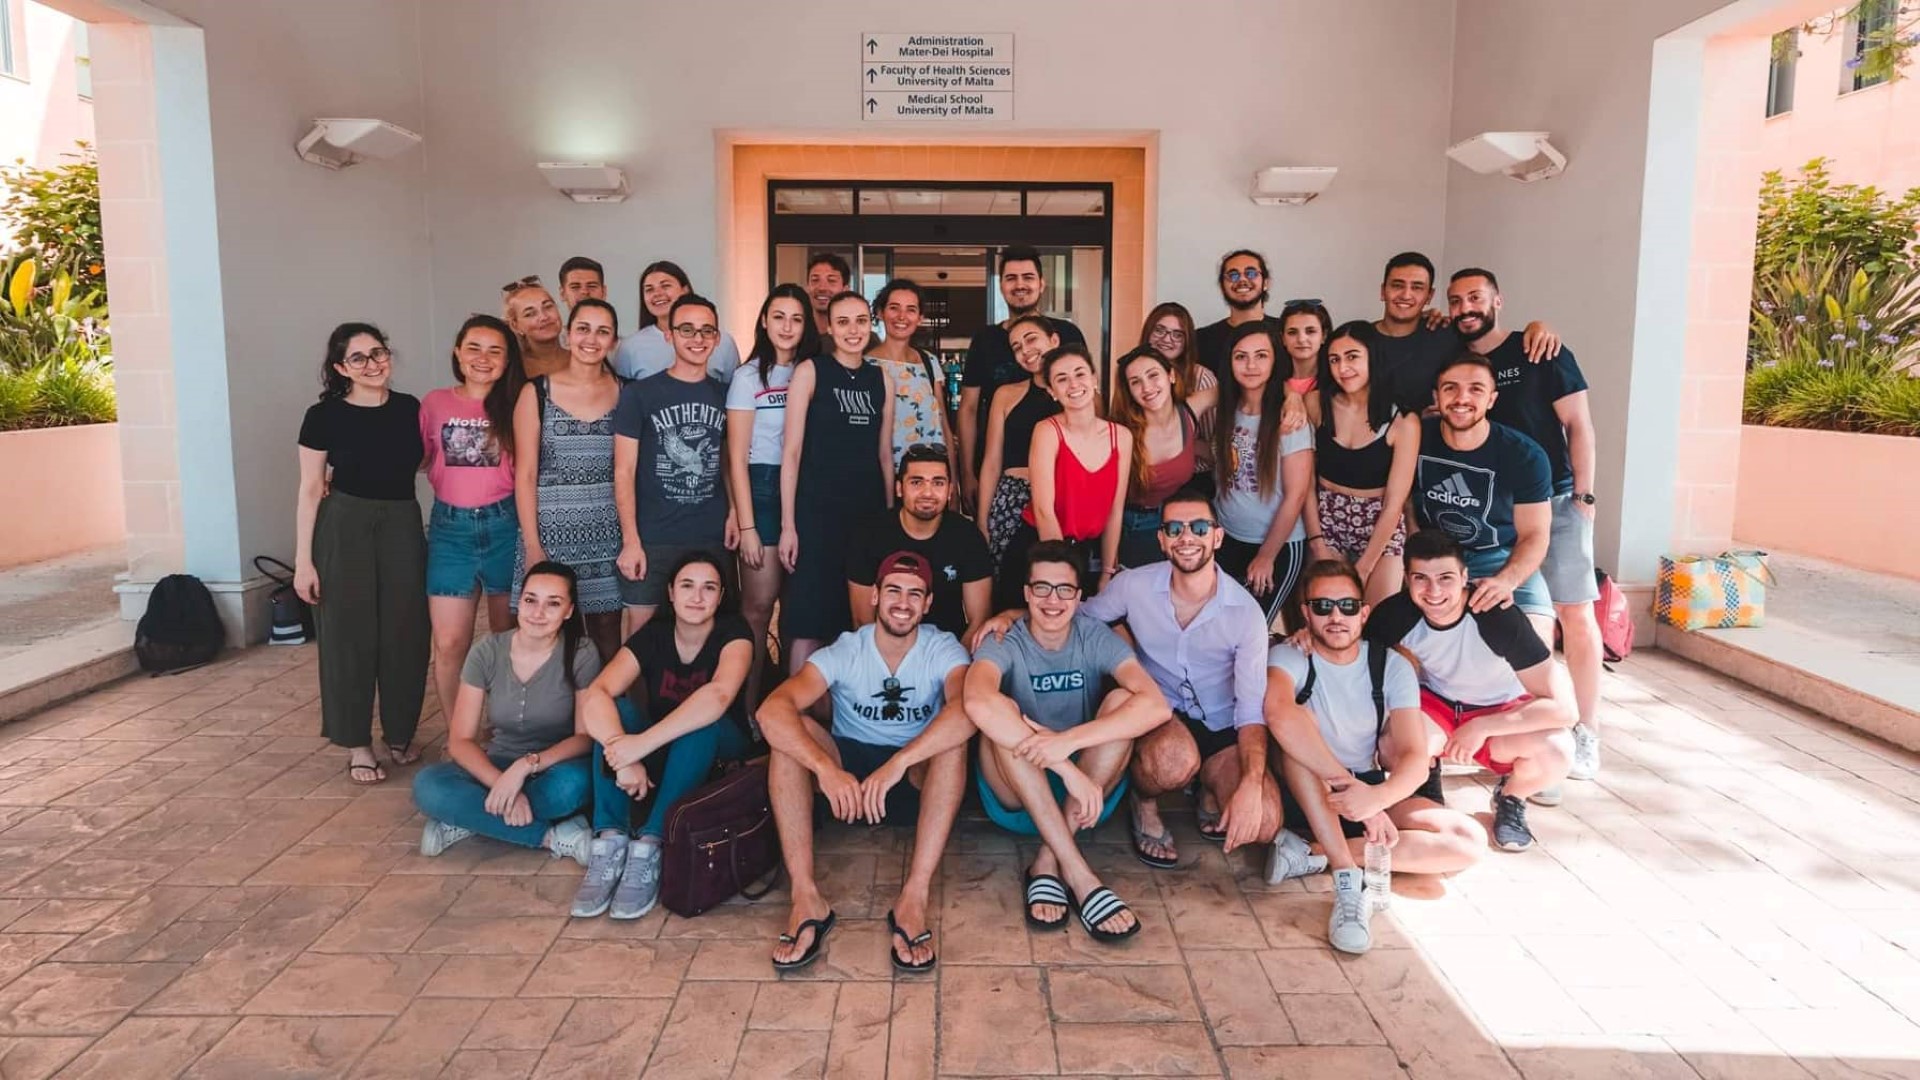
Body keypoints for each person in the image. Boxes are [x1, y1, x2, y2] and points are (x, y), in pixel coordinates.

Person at [992, 489, 1281, 871]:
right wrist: (1014, 614)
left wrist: (1251, 783)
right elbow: (1077, 613)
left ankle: (1208, 789)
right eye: (1174, 529)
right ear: (1161, 539)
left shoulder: (1245, 613)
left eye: (1198, 527)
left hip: (1222, 723)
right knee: (1173, 762)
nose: (1186, 537)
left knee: (1265, 821)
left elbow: (1251, 712)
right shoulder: (1134, 585)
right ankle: (1143, 802)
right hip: (1162, 715)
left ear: (1217, 536)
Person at [757, 552, 970, 971]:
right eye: (893, 591)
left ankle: (914, 898)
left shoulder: (941, 646)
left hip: (912, 777)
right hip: (848, 782)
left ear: (928, 603)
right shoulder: (848, 648)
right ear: (875, 596)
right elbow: (771, 711)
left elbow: (967, 710)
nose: (903, 603)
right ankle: (805, 898)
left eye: (915, 594)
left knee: (953, 742)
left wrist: (899, 763)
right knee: (789, 736)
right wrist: (826, 769)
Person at [1266, 560, 1486, 954]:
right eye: (1323, 607)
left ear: (1364, 613)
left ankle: (1314, 854)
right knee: (1299, 726)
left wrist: (1377, 799)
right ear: (1306, 614)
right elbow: (1278, 713)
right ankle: (1347, 879)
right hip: (1310, 789)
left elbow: (1415, 755)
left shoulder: (1391, 665)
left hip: (1366, 787)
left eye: (1348, 606)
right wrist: (1352, 793)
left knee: (1467, 840)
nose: (1336, 617)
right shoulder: (1291, 656)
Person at [968, 542, 1169, 939]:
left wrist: (1068, 742)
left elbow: (1156, 706)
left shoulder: (1094, 636)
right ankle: (1080, 876)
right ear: (1027, 594)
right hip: (1020, 794)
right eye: (1042, 588)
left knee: (1123, 702)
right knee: (1001, 712)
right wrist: (1062, 766)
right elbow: (975, 701)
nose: (1052, 600)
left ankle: (1047, 861)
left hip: (1085, 801)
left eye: (1064, 589)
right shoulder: (1004, 638)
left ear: (1078, 597)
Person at [1451, 268, 1604, 782]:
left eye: (1475, 297)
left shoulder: (1540, 349)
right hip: (1492, 509)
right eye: (1455, 300)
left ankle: (1586, 729)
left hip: (1556, 501)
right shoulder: (1457, 361)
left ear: (1498, 300)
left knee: (1574, 614)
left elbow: (1578, 424)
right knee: (1516, 617)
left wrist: (1583, 494)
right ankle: (1521, 729)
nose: (1465, 308)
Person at [1364, 531, 1578, 852]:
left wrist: (1482, 726)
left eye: (1446, 578)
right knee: (1391, 745)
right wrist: (1308, 639)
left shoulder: (1495, 615)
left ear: (1465, 577)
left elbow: (1564, 709)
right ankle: (1424, 782)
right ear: (1407, 580)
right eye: (1421, 578)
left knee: (1558, 751)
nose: (1434, 591)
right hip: (1438, 706)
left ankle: (1511, 797)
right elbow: (1349, 656)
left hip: (1501, 709)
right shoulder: (1396, 613)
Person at [570, 551, 755, 920]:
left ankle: (651, 843)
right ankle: (610, 839)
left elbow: (718, 696)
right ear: (671, 592)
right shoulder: (655, 634)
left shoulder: (735, 633)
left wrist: (640, 746)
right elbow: (597, 694)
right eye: (687, 586)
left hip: (719, 745)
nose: (697, 596)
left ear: (721, 596)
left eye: (709, 588)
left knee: (700, 720)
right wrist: (623, 757)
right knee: (616, 711)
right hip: (662, 747)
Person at [295, 323, 429, 786]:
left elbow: (424, 461)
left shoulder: (411, 408)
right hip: (344, 525)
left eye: (378, 353)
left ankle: (400, 733)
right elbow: (310, 488)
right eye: (358, 358)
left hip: (402, 522)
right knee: (347, 636)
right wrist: (303, 561)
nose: (372, 364)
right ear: (340, 367)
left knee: (406, 630)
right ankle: (357, 742)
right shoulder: (323, 416)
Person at [412, 560, 596, 865]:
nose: (538, 612)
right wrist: (500, 782)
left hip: (554, 766)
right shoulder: (488, 651)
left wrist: (525, 767)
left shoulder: (581, 652)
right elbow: (460, 740)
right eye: (530, 600)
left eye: (553, 604)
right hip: (496, 764)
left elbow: (584, 738)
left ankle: (470, 819)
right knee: (428, 785)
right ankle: (551, 837)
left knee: (570, 788)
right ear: (519, 602)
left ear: (569, 611)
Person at [778, 291, 895, 675]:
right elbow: (791, 452)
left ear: (871, 324)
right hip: (816, 515)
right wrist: (788, 525)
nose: (853, 330)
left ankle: (848, 706)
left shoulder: (882, 379)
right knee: (810, 619)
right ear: (829, 327)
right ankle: (797, 706)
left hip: (866, 515)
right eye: (843, 322)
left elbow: (884, 455)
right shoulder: (811, 371)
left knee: (859, 618)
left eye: (861, 321)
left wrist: (890, 519)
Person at [420, 315, 525, 722]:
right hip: (450, 532)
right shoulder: (434, 403)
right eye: (474, 348)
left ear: (507, 360)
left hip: (506, 525)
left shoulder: (519, 403)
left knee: (508, 639)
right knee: (449, 642)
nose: (484, 358)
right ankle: (457, 733)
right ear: (458, 354)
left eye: (495, 351)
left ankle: (503, 728)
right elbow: (415, 458)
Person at [613, 293, 732, 639]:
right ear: (669, 335)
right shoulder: (639, 394)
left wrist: (735, 512)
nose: (698, 338)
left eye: (706, 330)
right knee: (642, 635)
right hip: (653, 535)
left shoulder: (725, 394)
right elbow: (623, 471)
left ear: (717, 338)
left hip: (710, 534)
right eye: (687, 329)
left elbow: (728, 460)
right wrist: (631, 540)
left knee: (709, 632)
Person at [513, 297, 625, 662]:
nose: (591, 339)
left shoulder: (626, 391)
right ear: (567, 334)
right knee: (550, 632)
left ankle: (605, 699)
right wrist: (532, 545)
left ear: (614, 341)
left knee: (607, 630)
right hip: (551, 533)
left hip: (609, 531)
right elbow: (525, 474)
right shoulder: (536, 392)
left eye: (602, 331)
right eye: (583, 329)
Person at [1411, 353, 1555, 634]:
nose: (1461, 398)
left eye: (1476, 389)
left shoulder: (1525, 455)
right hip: (1434, 558)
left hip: (1500, 557)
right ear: (1436, 396)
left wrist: (1506, 581)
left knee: (1536, 634)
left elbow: (1535, 534)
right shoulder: (1415, 437)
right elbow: (1403, 501)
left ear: (1492, 399)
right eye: (1450, 388)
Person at [726, 284, 821, 707]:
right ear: (764, 321)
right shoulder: (748, 377)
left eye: (796, 319)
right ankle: (746, 709)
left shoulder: (814, 370)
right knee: (759, 606)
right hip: (762, 486)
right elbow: (735, 458)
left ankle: (785, 705)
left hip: (807, 488)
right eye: (779, 317)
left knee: (798, 609)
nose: (787, 327)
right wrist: (747, 525)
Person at [999, 345, 1130, 608]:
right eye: (1062, 379)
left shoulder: (1122, 436)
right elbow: (1043, 510)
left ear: (1094, 379)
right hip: (1042, 549)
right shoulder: (1047, 431)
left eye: (1080, 374)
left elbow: (1115, 511)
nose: (1073, 384)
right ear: (1052, 391)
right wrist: (1062, 578)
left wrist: (1107, 571)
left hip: (1089, 553)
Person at [958, 246, 1088, 508]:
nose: (1020, 285)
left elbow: (1088, 398)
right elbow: (968, 409)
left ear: (1041, 284)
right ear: (1001, 286)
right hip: (1001, 474)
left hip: (1064, 470)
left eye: (1028, 277)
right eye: (1011, 278)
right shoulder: (985, 340)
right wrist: (967, 473)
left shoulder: (1066, 333)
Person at [1304, 321, 1420, 606]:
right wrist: (1317, 542)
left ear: (1373, 357)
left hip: (1380, 522)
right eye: (1334, 359)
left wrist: (1364, 568)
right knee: (1326, 609)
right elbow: (1305, 481)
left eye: (1352, 356)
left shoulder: (1404, 421)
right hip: (1327, 515)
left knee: (1379, 615)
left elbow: (1395, 503)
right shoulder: (1316, 404)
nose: (1342, 368)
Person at [1212, 322, 1315, 628]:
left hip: (1276, 545)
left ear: (1275, 360)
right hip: (1228, 537)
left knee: (1250, 630)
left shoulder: (1290, 417)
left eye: (1261, 355)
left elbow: (1296, 494)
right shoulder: (1226, 408)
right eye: (1241, 356)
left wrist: (1267, 555)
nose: (1251, 365)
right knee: (1219, 625)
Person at [1370, 252, 1559, 415]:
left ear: (1429, 296)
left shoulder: (1446, 334)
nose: (1406, 295)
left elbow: (1485, 335)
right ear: (1382, 291)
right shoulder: (1359, 341)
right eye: (1397, 285)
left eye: (1417, 287)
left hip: (1433, 444)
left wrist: (1538, 326)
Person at [847, 443, 992, 641]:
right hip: (884, 649)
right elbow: (862, 621)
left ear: (950, 490)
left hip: (946, 650)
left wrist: (956, 659)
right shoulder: (870, 535)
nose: (927, 493)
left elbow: (979, 621)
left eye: (938, 483)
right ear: (899, 488)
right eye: (917, 482)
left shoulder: (968, 536)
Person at [1110, 346, 1215, 570]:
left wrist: (1290, 394)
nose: (1147, 387)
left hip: (1175, 521)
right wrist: (1108, 565)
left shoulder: (1188, 412)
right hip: (1134, 525)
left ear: (1171, 376)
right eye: (1136, 382)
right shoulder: (1123, 434)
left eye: (1153, 375)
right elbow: (1112, 506)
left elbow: (1241, 385)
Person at [975, 314, 1061, 566]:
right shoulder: (1005, 395)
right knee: (1007, 578)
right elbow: (992, 461)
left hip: (1062, 498)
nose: (1025, 350)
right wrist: (982, 520)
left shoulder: (1079, 395)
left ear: (1054, 340)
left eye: (1031, 339)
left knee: (1057, 577)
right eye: (1017, 347)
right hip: (1012, 499)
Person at [870, 278, 958, 475]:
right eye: (894, 308)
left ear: (919, 317)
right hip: (880, 476)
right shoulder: (866, 365)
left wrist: (953, 480)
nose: (902, 316)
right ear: (880, 312)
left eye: (911, 309)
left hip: (929, 478)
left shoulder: (929, 362)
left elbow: (943, 424)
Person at [612, 260, 742, 383]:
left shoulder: (723, 342)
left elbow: (733, 392)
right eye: (649, 289)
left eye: (665, 286)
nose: (657, 293)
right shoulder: (630, 346)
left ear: (685, 290)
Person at [1194, 249, 1286, 384]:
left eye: (1251, 273)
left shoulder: (1287, 332)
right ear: (1222, 286)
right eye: (1233, 275)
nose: (1242, 280)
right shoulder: (1200, 340)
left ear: (1266, 283)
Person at [1277, 299, 1333, 429]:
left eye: (1310, 331)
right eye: (1292, 332)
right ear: (1283, 338)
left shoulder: (1337, 380)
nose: (1301, 339)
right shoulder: (1271, 381)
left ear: (1324, 336)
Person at [502, 277, 568, 379]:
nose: (544, 317)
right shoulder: (510, 370)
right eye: (530, 314)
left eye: (548, 307)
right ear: (515, 326)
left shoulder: (584, 359)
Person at [804, 253, 852, 339]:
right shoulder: (795, 336)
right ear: (807, 287)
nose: (822, 288)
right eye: (815, 280)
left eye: (831, 280)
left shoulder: (858, 337)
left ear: (845, 289)